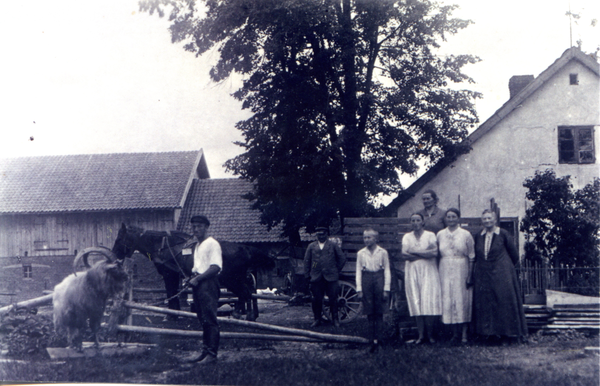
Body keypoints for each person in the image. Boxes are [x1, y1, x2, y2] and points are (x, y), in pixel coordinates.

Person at [473, 209, 527, 343]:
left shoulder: (503, 234)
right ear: (482, 220)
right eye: (484, 219)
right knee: (486, 303)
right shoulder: (479, 235)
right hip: (484, 273)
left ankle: (507, 335)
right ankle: (490, 334)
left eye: (489, 218)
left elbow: (514, 254)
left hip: (502, 273)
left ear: (495, 219)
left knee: (503, 301)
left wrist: (505, 268)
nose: (487, 221)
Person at [184, 215, 222, 365]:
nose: (196, 229)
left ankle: (212, 354)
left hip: (208, 284)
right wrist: (192, 279)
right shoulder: (197, 246)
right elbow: (199, 268)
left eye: (199, 226)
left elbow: (215, 267)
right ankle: (205, 351)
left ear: (206, 227)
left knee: (210, 318)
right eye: (194, 226)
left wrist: (198, 279)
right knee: (202, 318)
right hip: (199, 284)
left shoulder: (212, 244)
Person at [402, 213, 442, 344]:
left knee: (428, 301)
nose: (415, 223)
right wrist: (425, 253)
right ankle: (421, 336)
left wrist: (414, 252)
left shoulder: (430, 235)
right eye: (412, 220)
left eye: (418, 220)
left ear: (423, 222)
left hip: (428, 271)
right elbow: (404, 254)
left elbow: (435, 253)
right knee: (416, 301)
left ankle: (430, 336)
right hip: (412, 271)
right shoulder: (407, 236)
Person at [437, 208, 475, 344]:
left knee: (462, 299)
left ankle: (464, 334)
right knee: (448, 298)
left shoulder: (466, 234)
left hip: (461, 267)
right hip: (445, 268)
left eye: (454, 217)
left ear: (458, 218)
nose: (451, 219)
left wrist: (469, 275)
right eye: (448, 217)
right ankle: (454, 334)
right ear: (445, 219)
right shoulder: (440, 234)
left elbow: (471, 256)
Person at [303, 226, 347, 328]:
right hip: (316, 277)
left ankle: (335, 319)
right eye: (319, 234)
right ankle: (317, 319)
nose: (321, 236)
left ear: (326, 234)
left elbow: (342, 258)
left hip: (331, 277)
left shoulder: (333, 245)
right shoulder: (311, 246)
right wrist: (307, 275)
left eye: (323, 234)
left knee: (333, 299)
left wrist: (336, 270)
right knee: (317, 299)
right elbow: (307, 261)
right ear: (316, 235)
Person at [356, 229, 391, 353]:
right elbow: (358, 271)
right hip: (366, 280)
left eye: (369, 237)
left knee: (379, 312)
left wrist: (386, 288)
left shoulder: (383, 252)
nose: (366, 240)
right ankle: (371, 341)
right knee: (370, 313)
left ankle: (380, 340)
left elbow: (387, 270)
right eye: (364, 237)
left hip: (379, 279)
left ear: (376, 239)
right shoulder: (361, 253)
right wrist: (359, 289)